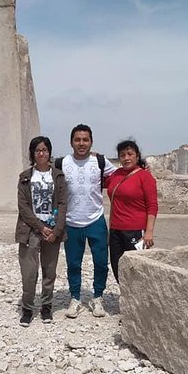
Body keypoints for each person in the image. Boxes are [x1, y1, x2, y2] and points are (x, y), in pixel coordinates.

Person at [60, 124, 118, 318]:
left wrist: (142, 167)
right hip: (71, 222)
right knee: (73, 264)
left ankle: (98, 297)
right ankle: (75, 298)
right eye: (77, 139)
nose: (81, 143)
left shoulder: (100, 161)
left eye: (85, 140)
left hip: (95, 220)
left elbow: (122, 175)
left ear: (91, 142)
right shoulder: (62, 163)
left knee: (101, 262)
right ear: (71, 142)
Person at [15, 136, 67, 327]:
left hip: (53, 231)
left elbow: (62, 204)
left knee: (49, 271)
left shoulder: (58, 176)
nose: (41, 153)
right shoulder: (25, 177)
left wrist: (56, 229)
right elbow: (23, 206)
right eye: (37, 150)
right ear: (32, 153)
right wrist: (40, 226)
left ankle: (46, 306)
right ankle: (27, 308)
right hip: (30, 231)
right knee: (29, 272)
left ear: (49, 152)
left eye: (45, 150)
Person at [106, 140, 158, 282]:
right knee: (118, 268)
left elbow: (152, 205)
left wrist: (149, 232)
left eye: (130, 154)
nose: (126, 158)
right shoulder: (116, 174)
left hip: (135, 231)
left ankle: (138, 302)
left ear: (137, 156)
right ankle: (126, 299)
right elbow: (99, 181)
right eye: (122, 155)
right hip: (115, 230)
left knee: (136, 270)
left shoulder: (145, 176)